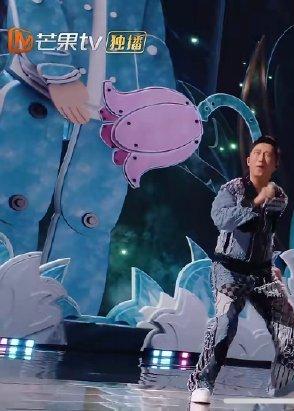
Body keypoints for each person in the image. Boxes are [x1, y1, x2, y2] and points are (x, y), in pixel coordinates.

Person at [0, 0, 176, 314]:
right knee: (15, 203)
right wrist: (58, 72)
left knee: (89, 220)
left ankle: (68, 316)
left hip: (111, 112)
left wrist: (155, 103)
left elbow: (148, 39)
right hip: (35, 89)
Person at [188, 136, 294, 409]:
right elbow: (222, 219)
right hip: (229, 269)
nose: (262, 158)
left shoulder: (280, 197)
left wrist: (273, 267)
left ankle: (284, 388)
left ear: (275, 164)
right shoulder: (231, 190)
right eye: (257, 153)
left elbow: (265, 230)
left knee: (288, 323)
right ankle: (202, 383)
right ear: (249, 160)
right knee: (225, 323)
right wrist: (256, 201)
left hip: (262, 272)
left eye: (268, 155)